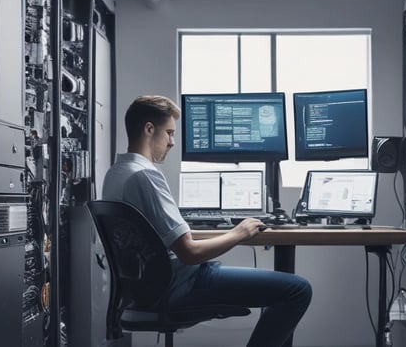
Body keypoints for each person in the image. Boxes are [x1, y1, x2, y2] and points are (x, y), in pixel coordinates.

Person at [102, 95, 312, 346]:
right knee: (297, 290)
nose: (171, 142)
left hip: (144, 289)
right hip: (180, 284)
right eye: (169, 133)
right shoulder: (145, 176)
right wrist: (240, 232)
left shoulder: (115, 173)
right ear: (149, 129)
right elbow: (190, 252)